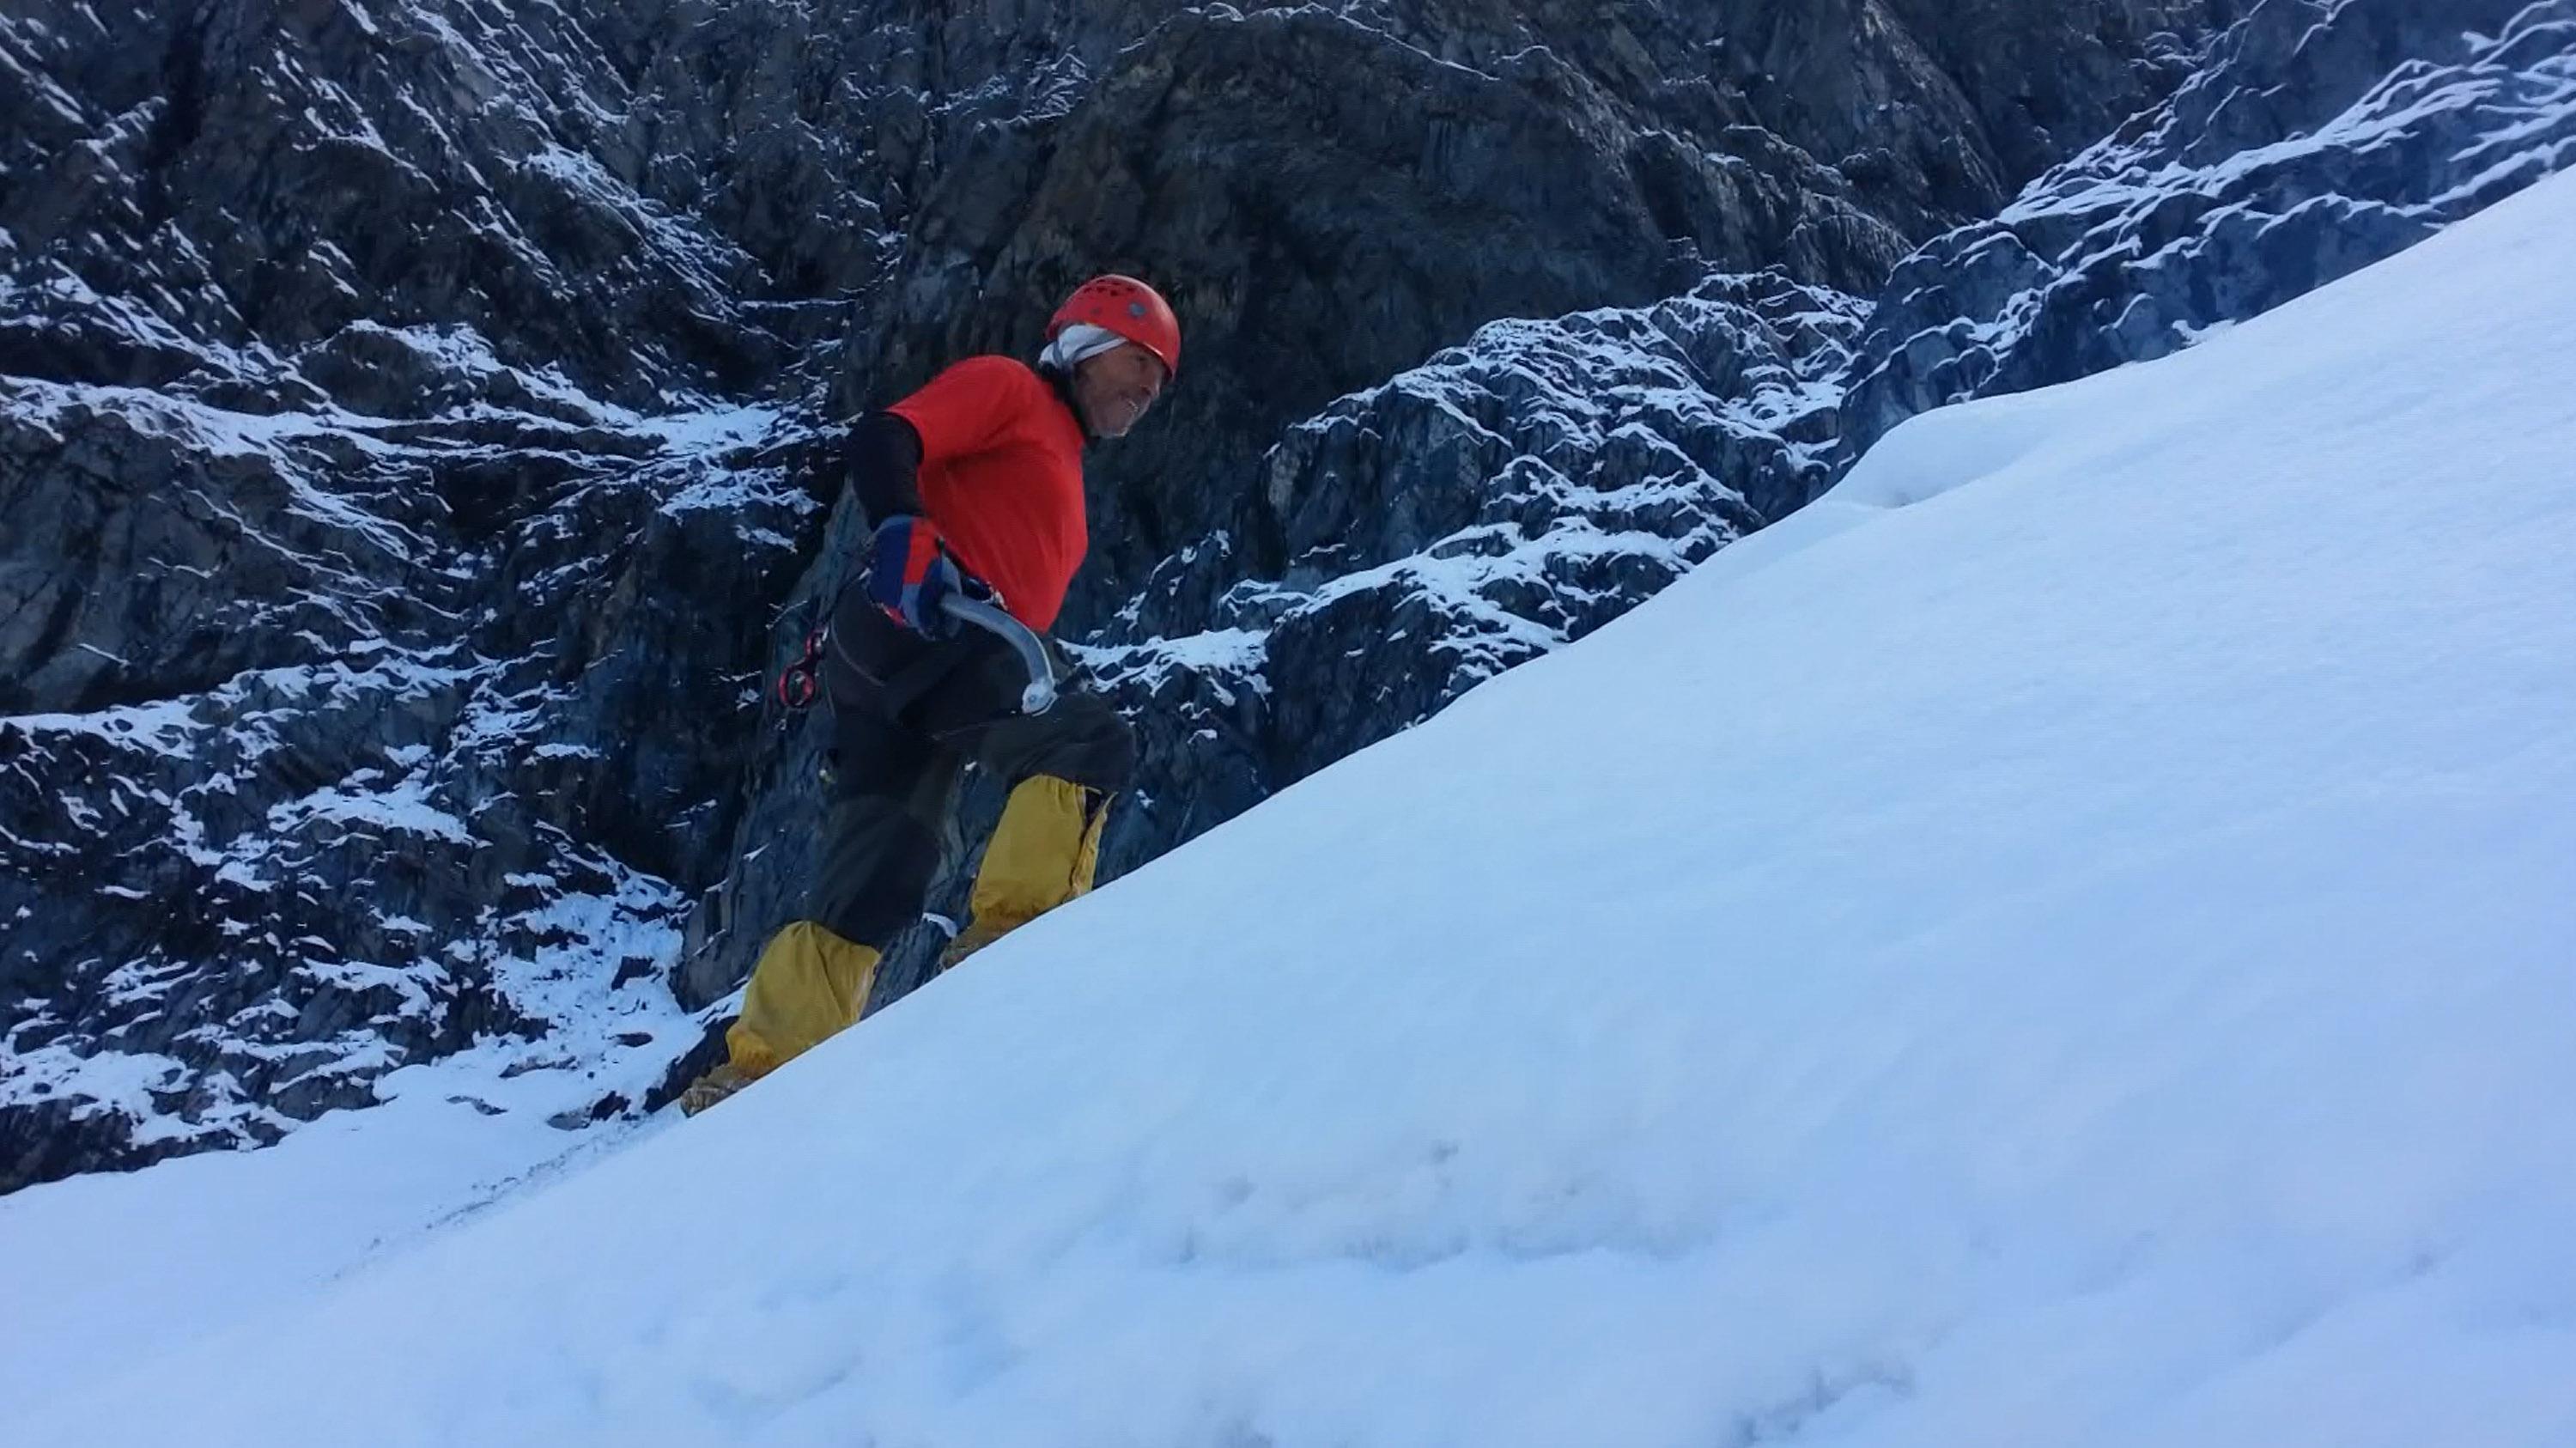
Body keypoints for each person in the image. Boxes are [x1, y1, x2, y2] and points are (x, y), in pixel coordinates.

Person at [680, 275, 1180, 1114]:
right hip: (943, 619)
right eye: (1137, 361)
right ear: (1085, 348)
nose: (1147, 389)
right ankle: (1022, 943)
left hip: (896, 657)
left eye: (1159, 382)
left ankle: (759, 1073)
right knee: (1085, 741)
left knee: (878, 876)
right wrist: (904, 530)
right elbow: (886, 435)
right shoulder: (1014, 391)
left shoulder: (1055, 457)